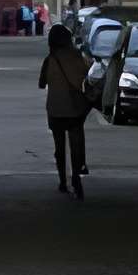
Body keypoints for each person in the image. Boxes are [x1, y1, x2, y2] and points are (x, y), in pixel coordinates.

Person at [39, 22, 90, 197]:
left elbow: (41, 83)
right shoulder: (77, 56)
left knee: (59, 147)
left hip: (54, 109)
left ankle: (62, 180)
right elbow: (87, 74)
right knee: (76, 143)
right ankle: (77, 175)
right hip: (74, 108)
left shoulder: (50, 59)